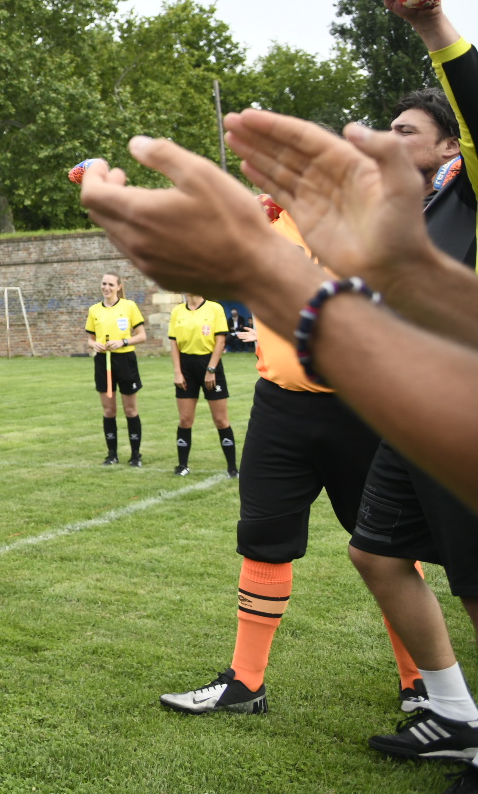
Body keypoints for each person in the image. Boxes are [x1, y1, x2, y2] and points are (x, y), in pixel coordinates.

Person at [154, 196, 419, 717]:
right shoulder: (265, 223)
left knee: (390, 547)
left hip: (362, 406)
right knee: (262, 539)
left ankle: (422, 681)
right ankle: (245, 683)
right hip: (280, 406)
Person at [341, 0, 478, 763]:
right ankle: (456, 713)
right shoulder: (415, 208)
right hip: (410, 415)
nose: (391, 140)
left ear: (450, 145)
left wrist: (429, 21)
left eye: (406, 130)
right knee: (377, 552)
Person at [166, 294, 237, 477]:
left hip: (210, 364)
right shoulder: (177, 311)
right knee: (185, 419)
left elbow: (220, 341)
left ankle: (232, 468)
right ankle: (182, 466)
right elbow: (173, 343)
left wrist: (211, 369)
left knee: (221, 420)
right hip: (186, 367)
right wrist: (177, 371)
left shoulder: (215, 308)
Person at [85, 273, 147, 466]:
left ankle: (135, 455)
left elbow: (142, 335)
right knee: (109, 410)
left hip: (125, 360)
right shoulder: (94, 310)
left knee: (130, 409)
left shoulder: (129, 306)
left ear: (119, 287)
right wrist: (94, 345)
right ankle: (112, 454)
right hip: (104, 362)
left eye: (111, 284)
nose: (107, 288)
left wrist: (123, 342)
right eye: (104, 284)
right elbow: (90, 338)